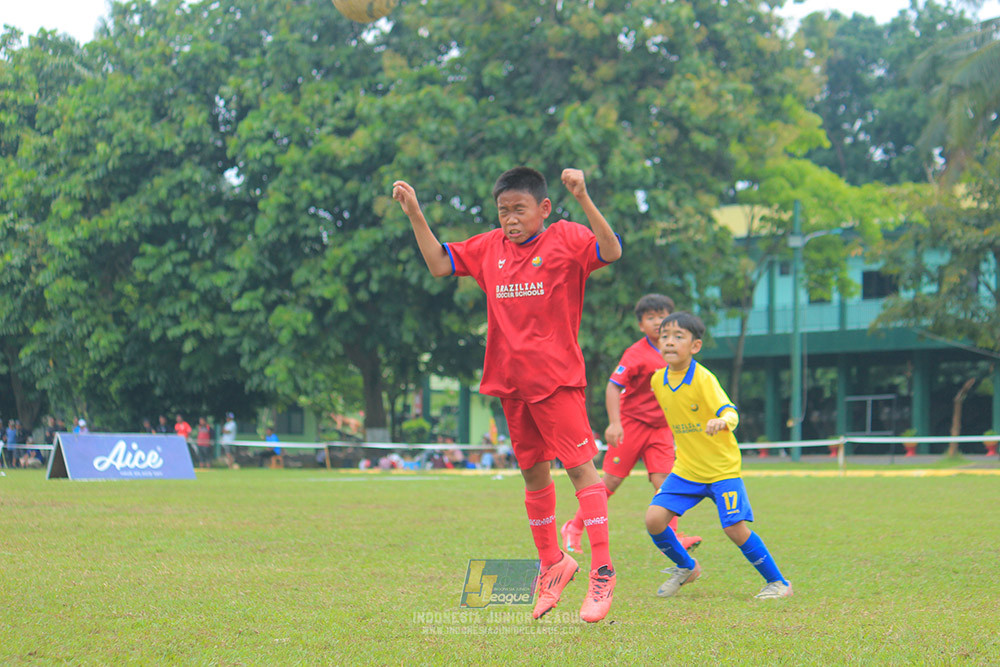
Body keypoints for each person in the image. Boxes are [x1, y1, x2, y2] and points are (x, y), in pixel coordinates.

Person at [392, 166, 622, 623]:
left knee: (581, 474)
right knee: (534, 479)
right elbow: (440, 263)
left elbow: (611, 250)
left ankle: (603, 570)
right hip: (510, 384)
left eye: (519, 210)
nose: (510, 219)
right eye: (503, 211)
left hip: (556, 382)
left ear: (544, 208)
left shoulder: (566, 238)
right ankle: (553, 564)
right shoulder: (488, 248)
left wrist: (583, 196)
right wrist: (416, 213)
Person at [646, 312, 792, 600]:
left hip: (722, 470)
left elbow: (729, 410)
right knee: (653, 519)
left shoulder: (702, 378)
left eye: (678, 337)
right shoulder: (657, 381)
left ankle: (778, 583)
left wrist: (723, 421)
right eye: (664, 337)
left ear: (695, 346)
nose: (670, 342)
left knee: (734, 530)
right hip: (687, 470)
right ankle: (686, 567)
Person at [561, 294, 702, 555]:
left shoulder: (678, 351)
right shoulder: (636, 353)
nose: (658, 322)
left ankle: (673, 536)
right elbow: (614, 387)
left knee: (665, 483)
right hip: (632, 425)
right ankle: (574, 527)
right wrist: (615, 423)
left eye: (663, 316)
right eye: (651, 318)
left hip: (661, 429)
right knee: (610, 483)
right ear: (641, 325)